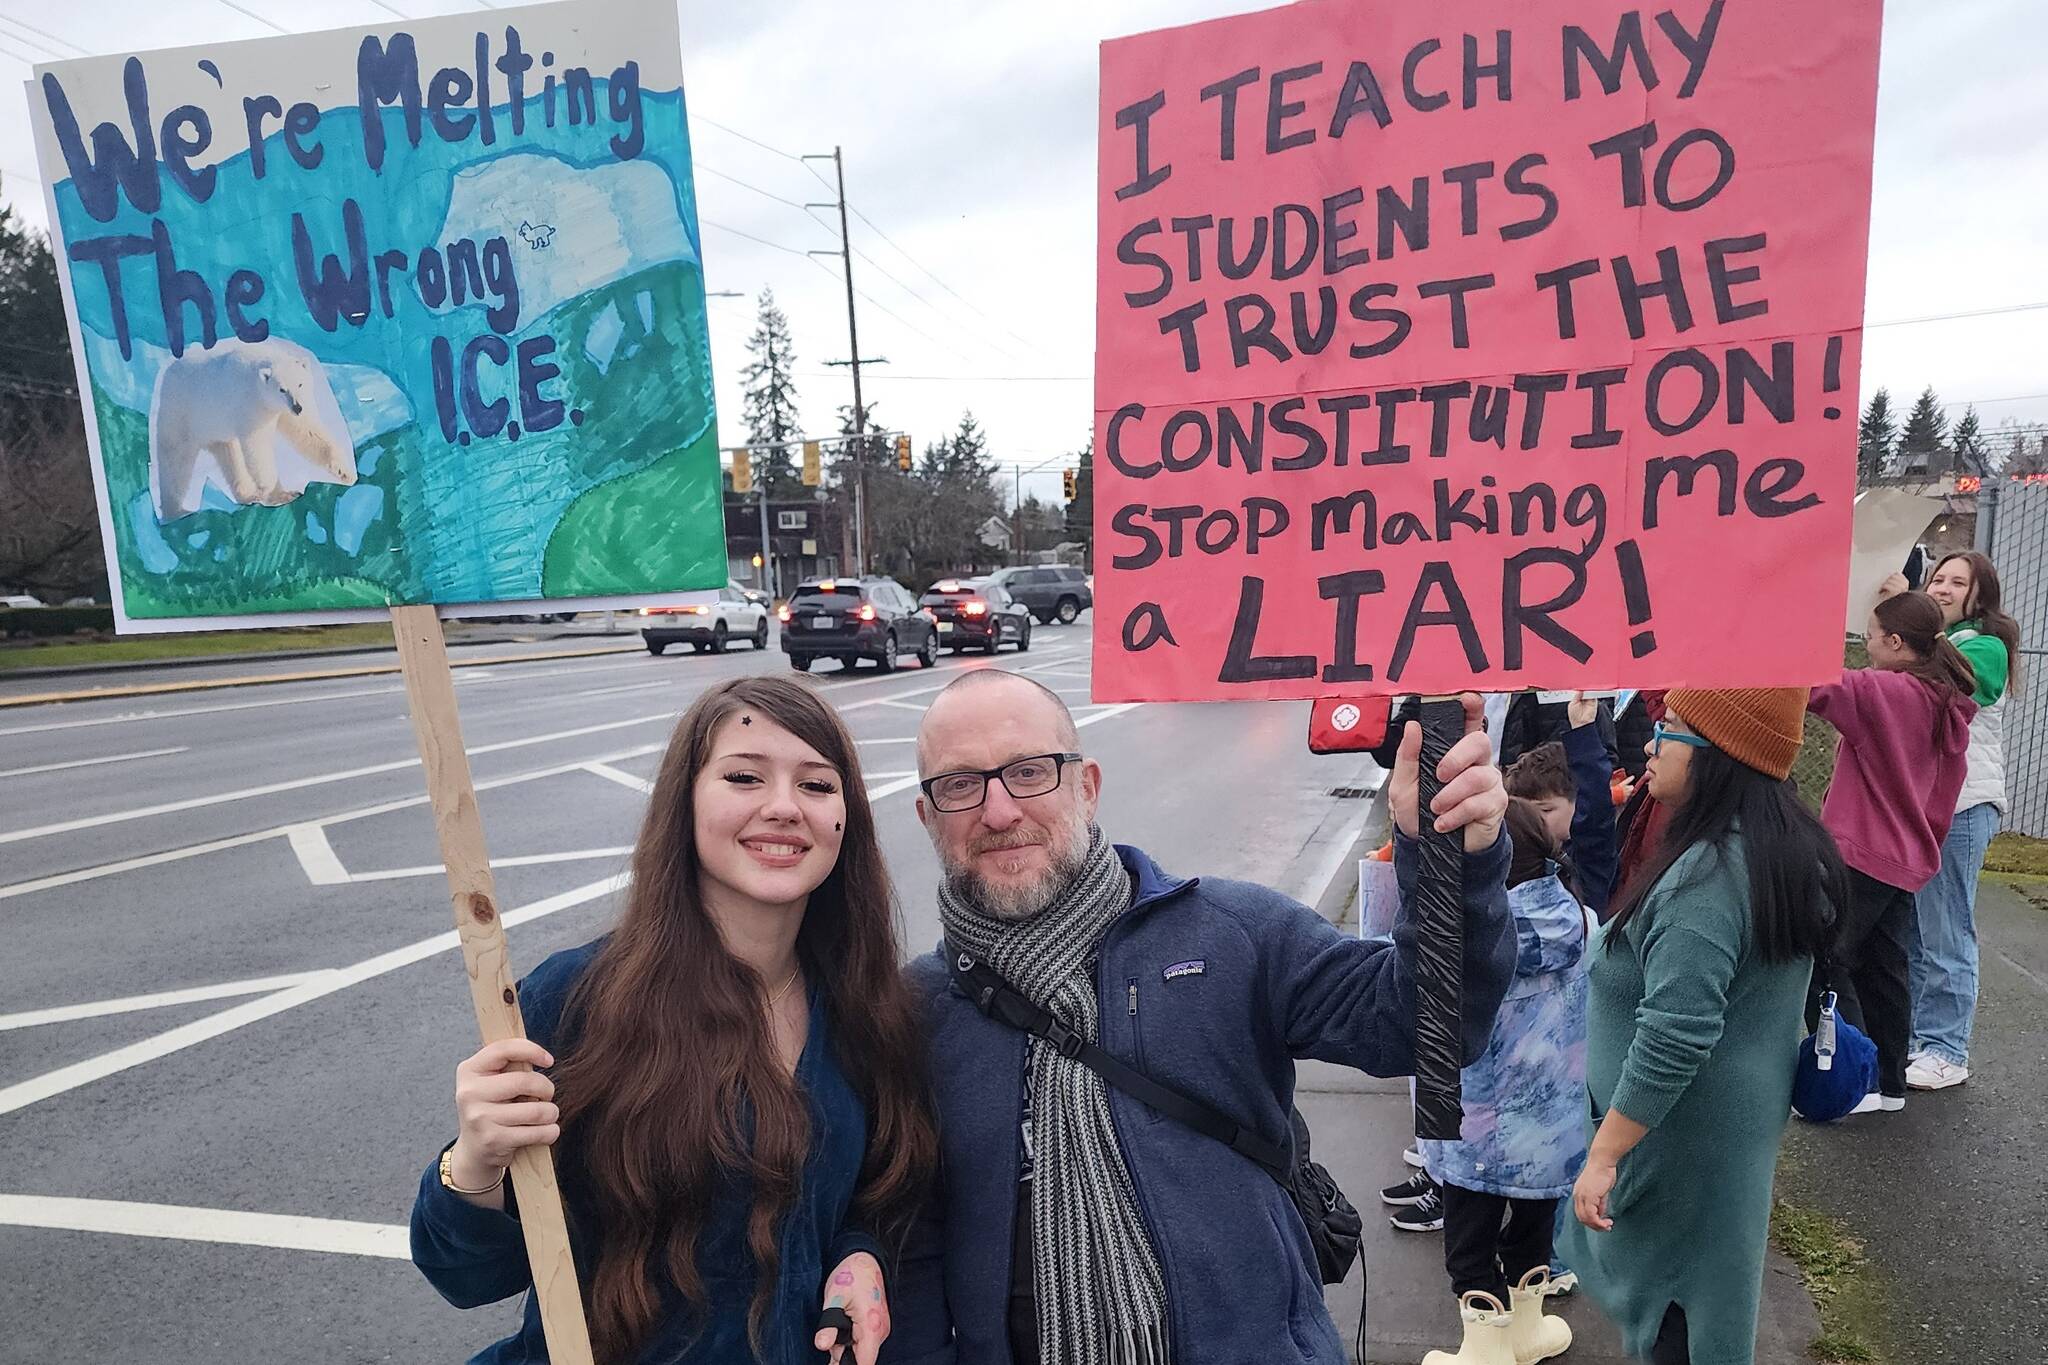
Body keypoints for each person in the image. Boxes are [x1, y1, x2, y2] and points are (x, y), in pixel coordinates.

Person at [884, 672, 1517, 1365]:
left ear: (1086, 787)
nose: (999, 811)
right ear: (927, 816)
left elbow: (1426, 1025)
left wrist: (1454, 863)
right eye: (959, 785)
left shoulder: (1229, 933)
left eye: (1029, 772)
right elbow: (910, 1246)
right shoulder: (913, 1015)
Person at [409, 676, 939, 1365]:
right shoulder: (578, 1000)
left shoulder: (863, 1008)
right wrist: (474, 1163)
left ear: (848, 818)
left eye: (816, 785)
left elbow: (869, 1193)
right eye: (744, 776)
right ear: (684, 801)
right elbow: (466, 1275)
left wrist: (857, 1256)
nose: (784, 806)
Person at [1556, 688, 1846, 1365]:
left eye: (1673, 727)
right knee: (1701, 1299)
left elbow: (1675, 1034)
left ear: (1722, 754)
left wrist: (1604, 1155)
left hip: (1680, 1146)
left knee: (1677, 1317)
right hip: (1720, 1139)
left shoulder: (1708, 877)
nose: (1651, 742)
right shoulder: (1770, 846)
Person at [1417, 694, 1615, 1365]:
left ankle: (1483, 1345)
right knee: (1530, 1232)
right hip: (1550, 1126)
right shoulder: (1581, 920)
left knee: (1469, 1240)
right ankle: (1528, 1329)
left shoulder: (1474, 938)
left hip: (1474, 1122)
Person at [1809, 590, 1977, 1112]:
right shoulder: (1942, 702)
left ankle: (1850, 1081)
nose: (1867, 645)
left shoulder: (1885, 692)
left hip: (1861, 852)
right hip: (1905, 856)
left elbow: (1815, 685)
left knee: (1823, 959)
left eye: (1872, 636)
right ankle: (1888, 1083)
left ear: (1897, 643)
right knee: (1884, 969)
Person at [1888, 553, 2020, 1089]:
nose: (1942, 588)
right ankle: (1920, 1040)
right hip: (1923, 805)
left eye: (1957, 582)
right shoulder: (1935, 643)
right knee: (1916, 932)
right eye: (1937, 579)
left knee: (1945, 930)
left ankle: (1946, 1048)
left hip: (1964, 804)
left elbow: (1962, 683)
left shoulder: (1984, 646)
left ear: (1979, 595)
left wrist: (1905, 619)